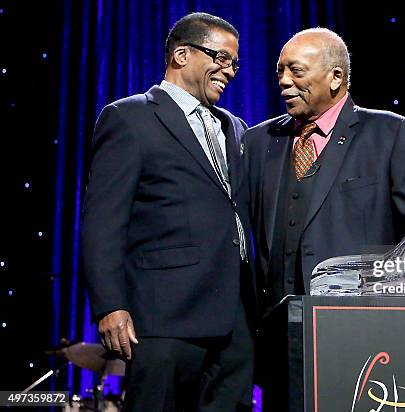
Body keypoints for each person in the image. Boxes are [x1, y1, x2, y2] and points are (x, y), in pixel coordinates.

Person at [243, 28, 405, 410]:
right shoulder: (259, 142)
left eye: (297, 71)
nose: (284, 81)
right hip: (280, 346)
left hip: (365, 341)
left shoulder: (389, 133)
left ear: (336, 76)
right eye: (279, 71)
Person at [81, 12, 256, 411]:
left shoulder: (236, 127)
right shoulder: (129, 117)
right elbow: (102, 223)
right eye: (221, 58)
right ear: (181, 54)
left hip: (235, 319)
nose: (229, 71)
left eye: (234, 63)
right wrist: (110, 305)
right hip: (164, 317)